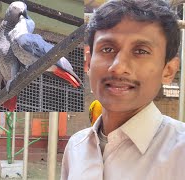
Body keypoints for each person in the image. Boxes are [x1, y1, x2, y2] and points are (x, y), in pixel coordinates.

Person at [61, 0, 185, 179]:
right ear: (88, 63)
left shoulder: (180, 154)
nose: (118, 67)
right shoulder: (76, 147)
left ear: (168, 70)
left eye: (141, 51)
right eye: (108, 48)